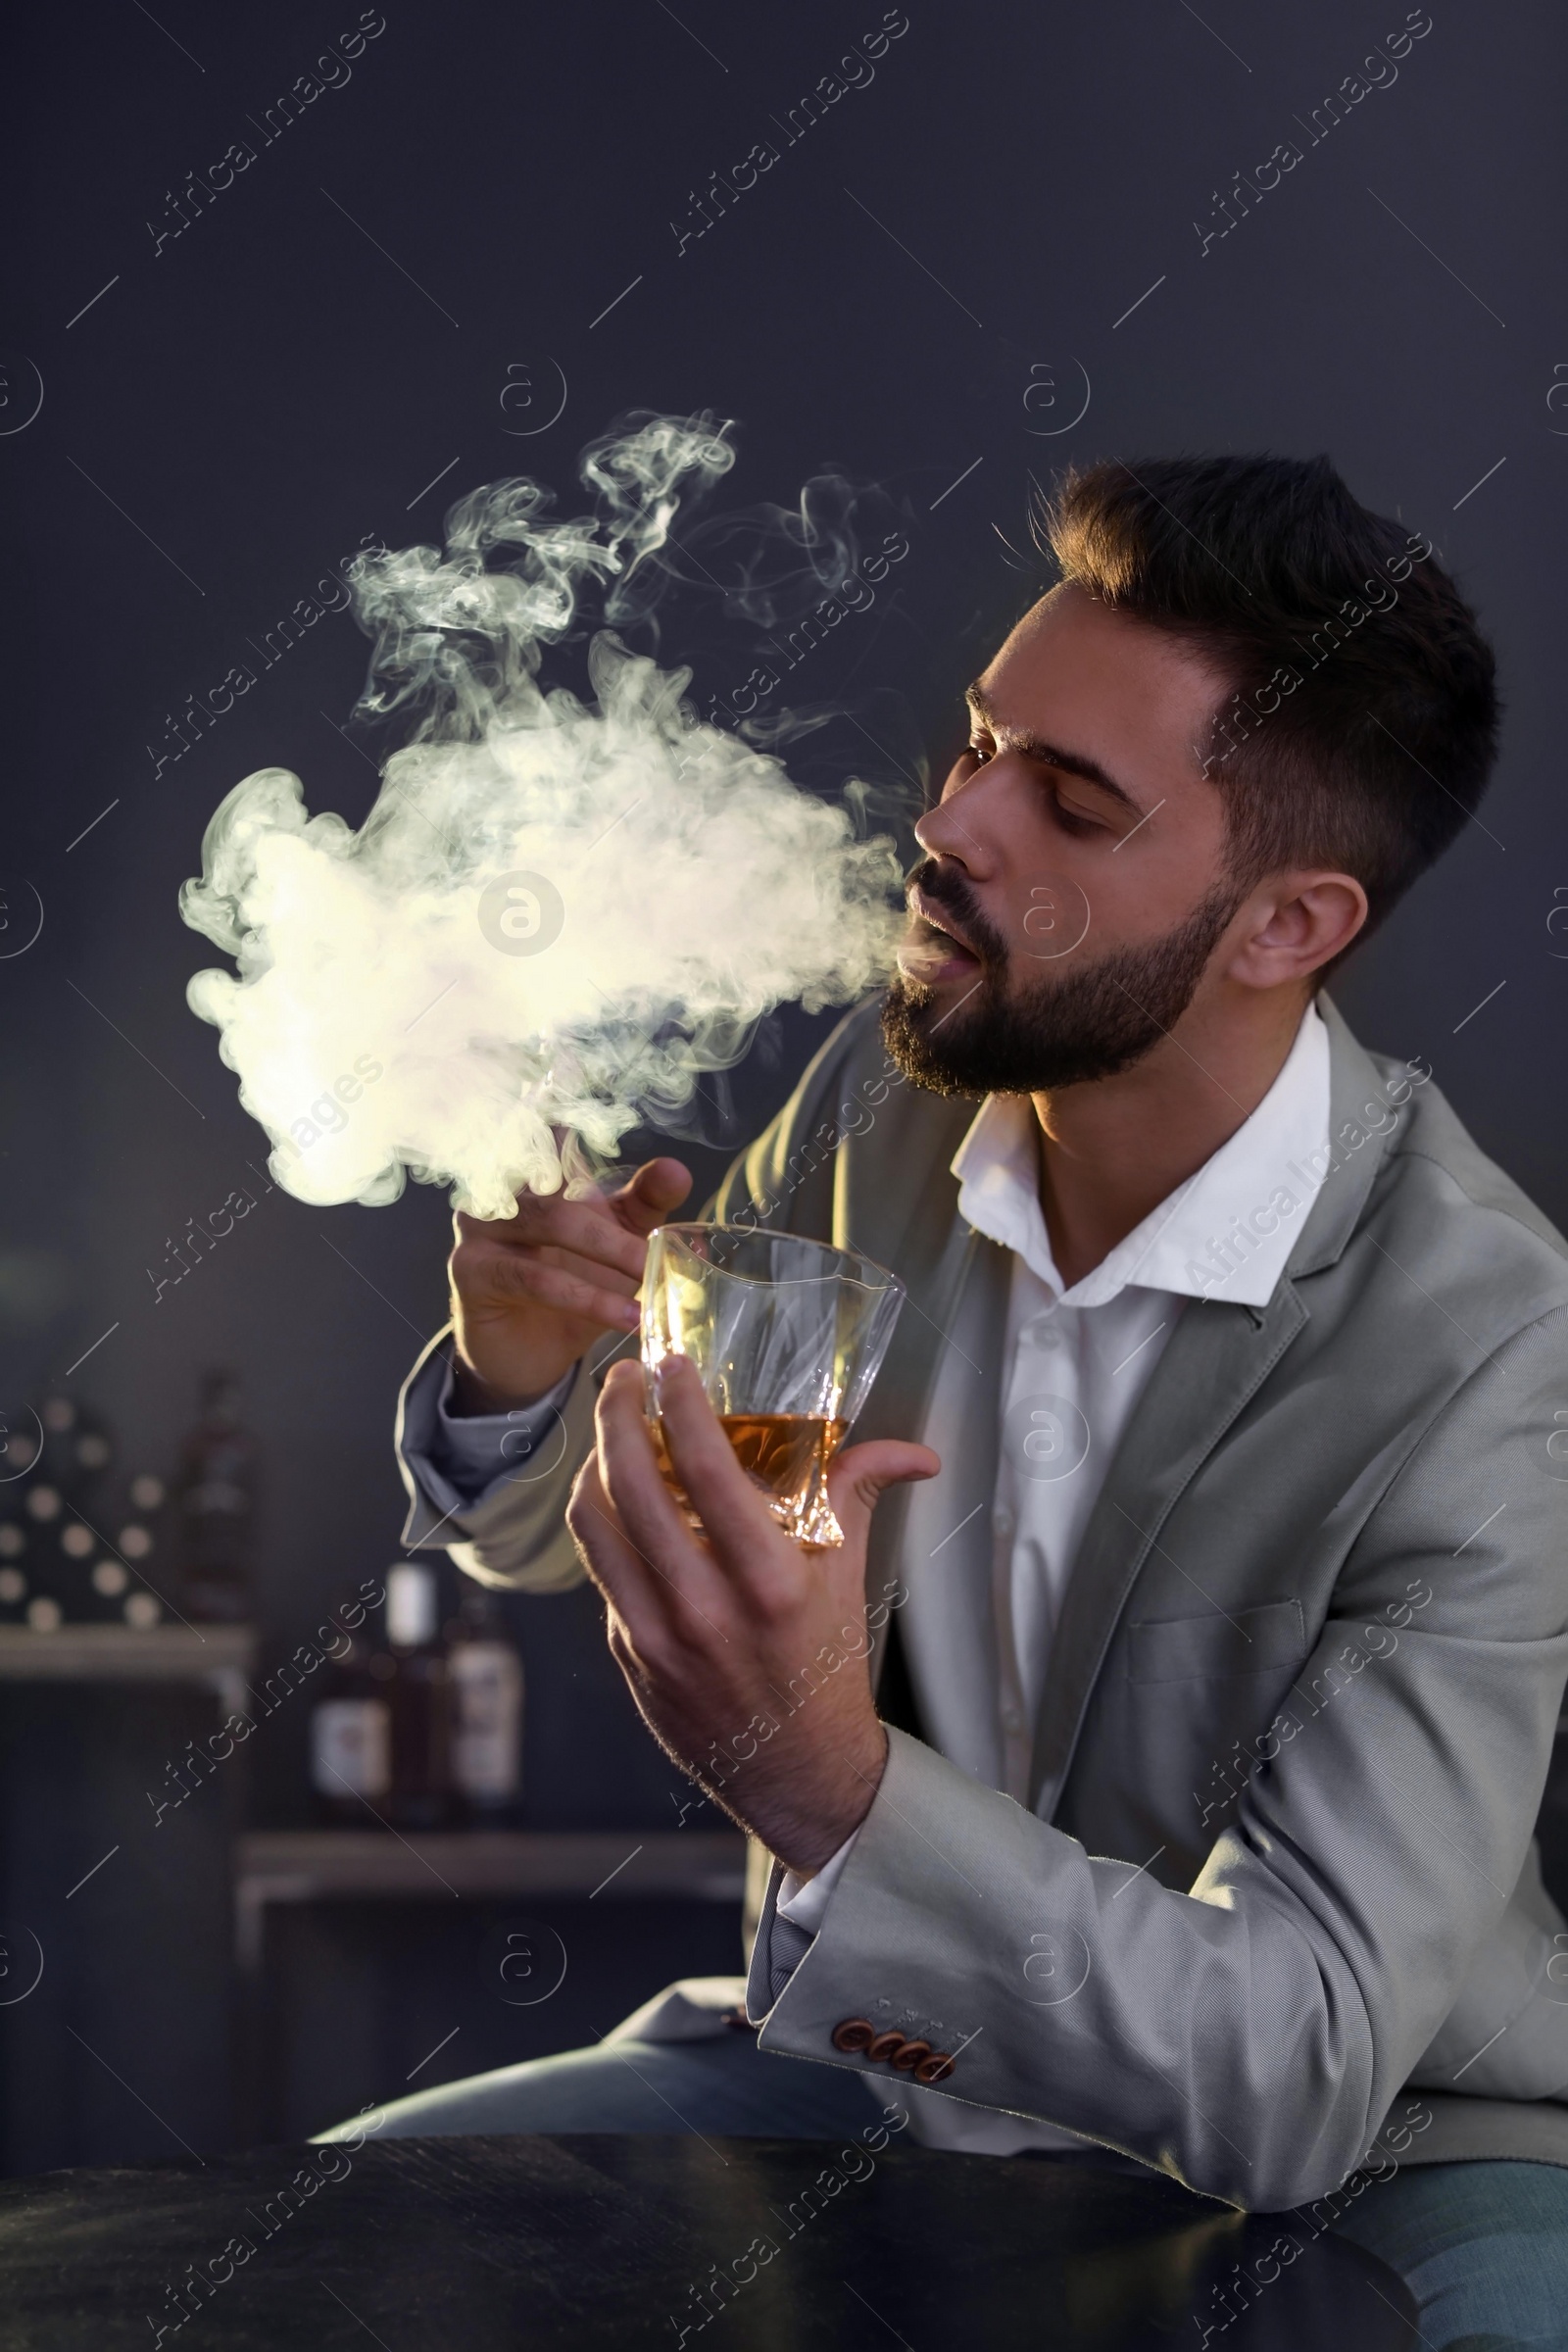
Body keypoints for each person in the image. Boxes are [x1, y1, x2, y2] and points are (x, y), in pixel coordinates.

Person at [318, 455, 1568, 2345]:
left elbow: (1299, 2065)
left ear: (1287, 927)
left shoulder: (1485, 1347)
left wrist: (831, 1787)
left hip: (1383, 2150)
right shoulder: (885, 1105)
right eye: (982, 744)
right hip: (877, 2082)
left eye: (1068, 803)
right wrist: (526, 1357)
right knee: (307, 2254)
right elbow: (622, 1511)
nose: (953, 825)